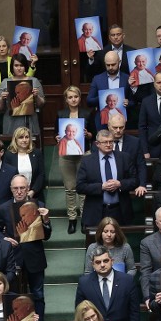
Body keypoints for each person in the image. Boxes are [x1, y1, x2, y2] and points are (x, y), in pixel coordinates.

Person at [76, 130, 138, 230]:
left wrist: (120, 184)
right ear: (97, 144)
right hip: (96, 212)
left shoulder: (124, 158)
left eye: (111, 141)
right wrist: (101, 187)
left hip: (120, 210)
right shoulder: (87, 161)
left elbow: (135, 180)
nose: (109, 145)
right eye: (105, 142)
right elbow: (80, 187)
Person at [57, 86, 92, 233]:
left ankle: (85, 218)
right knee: (70, 188)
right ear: (66, 99)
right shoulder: (61, 114)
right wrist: (57, 138)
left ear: (80, 98)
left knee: (83, 189)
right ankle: (72, 218)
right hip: (66, 156)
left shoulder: (87, 113)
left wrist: (88, 134)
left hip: (84, 154)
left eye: (75, 96)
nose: (73, 99)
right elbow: (56, 134)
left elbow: (94, 135)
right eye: (70, 97)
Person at [0, 54, 45, 137]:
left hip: (30, 121)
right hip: (11, 122)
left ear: (25, 66)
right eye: (16, 65)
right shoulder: (5, 82)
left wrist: (37, 96)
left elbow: (42, 104)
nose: (19, 68)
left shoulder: (34, 81)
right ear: (12, 67)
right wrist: (1, 98)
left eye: (21, 65)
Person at [5, 126, 46, 201]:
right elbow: (7, 177)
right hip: (15, 196)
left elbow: (41, 175)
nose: (24, 140)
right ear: (15, 139)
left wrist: (33, 191)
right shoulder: (9, 155)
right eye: (21, 137)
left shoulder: (37, 153)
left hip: (35, 195)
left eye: (27, 137)